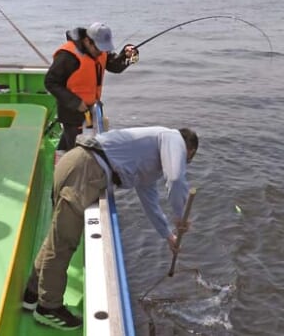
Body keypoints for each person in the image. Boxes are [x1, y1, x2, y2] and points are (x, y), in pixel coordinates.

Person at [23, 126, 199, 330]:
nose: (185, 162)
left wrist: (169, 236)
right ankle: (48, 308)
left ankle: (32, 294)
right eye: (188, 159)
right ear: (190, 149)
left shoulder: (151, 160)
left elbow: (150, 202)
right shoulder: (173, 137)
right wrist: (180, 216)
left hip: (81, 168)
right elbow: (176, 178)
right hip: (84, 170)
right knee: (63, 243)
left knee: (56, 239)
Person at [45, 22, 138, 152]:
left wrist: (131, 55)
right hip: (72, 113)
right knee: (79, 153)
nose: (101, 53)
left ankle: (59, 160)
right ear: (88, 41)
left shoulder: (100, 52)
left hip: (91, 110)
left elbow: (116, 67)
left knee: (74, 145)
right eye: (98, 49)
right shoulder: (68, 56)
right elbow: (50, 82)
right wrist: (75, 102)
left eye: (104, 49)